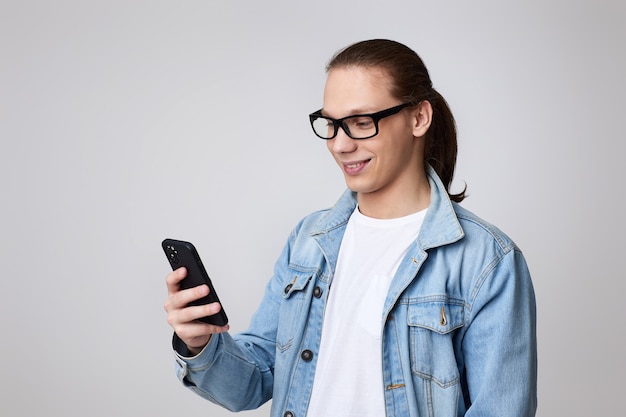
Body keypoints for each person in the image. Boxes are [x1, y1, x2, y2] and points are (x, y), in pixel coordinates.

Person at [164, 39, 537, 417]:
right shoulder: (308, 240)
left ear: (419, 118)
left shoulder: (486, 259)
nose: (340, 144)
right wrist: (199, 344)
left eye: (361, 123)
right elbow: (257, 378)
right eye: (331, 124)